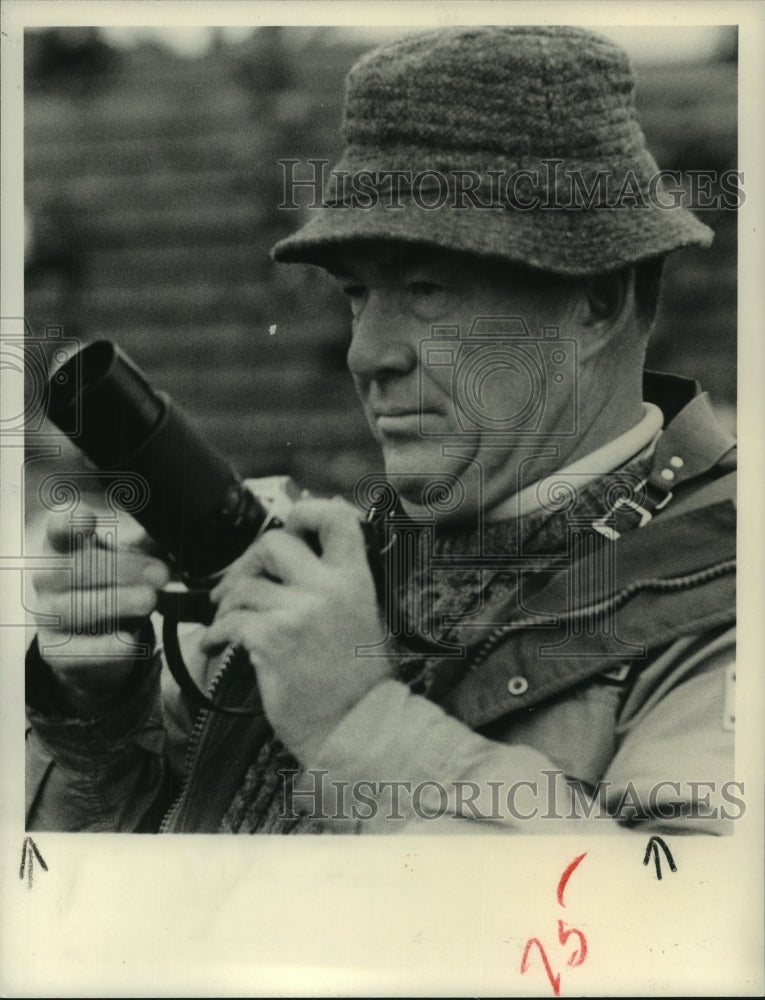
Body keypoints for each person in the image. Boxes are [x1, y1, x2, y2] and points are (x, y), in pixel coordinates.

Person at [25, 25, 737, 834]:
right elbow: (103, 918)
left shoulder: (726, 600)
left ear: (598, 300)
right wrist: (99, 725)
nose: (366, 353)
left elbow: (673, 929)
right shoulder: (357, 568)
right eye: (357, 295)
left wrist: (357, 724)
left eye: (426, 289)